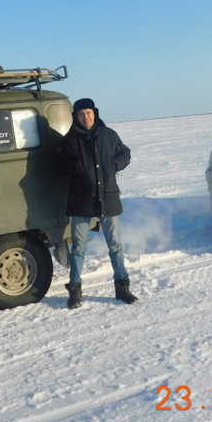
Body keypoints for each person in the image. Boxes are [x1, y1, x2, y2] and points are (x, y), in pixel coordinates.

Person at [55, 98, 136, 308]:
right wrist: (77, 169)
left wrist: (114, 165)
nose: (86, 117)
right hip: (81, 200)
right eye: (81, 114)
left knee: (115, 245)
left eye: (89, 113)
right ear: (76, 116)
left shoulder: (108, 135)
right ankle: (75, 291)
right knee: (78, 248)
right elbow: (59, 165)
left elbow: (125, 153)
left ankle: (122, 288)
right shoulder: (70, 140)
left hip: (107, 197)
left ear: (95, 113)